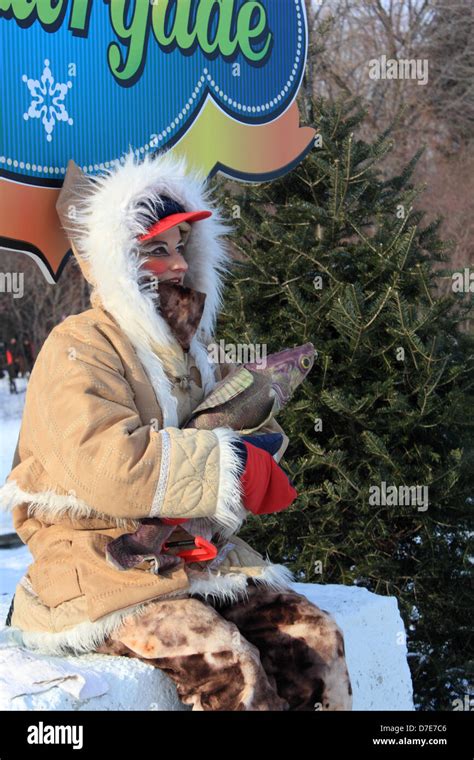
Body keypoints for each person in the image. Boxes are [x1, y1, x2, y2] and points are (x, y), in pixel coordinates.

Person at [0, 149, 352, 711]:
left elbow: (217, 429)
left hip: (183, 557)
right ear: (119, 259)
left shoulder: (190, 354)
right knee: (225, 662)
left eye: (181, 247)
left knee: (314, 638)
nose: (179, 265)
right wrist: (230, 464)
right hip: (96, 564)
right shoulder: (78, 345)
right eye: (156, 249)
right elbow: (109, 467)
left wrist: (258, 443)